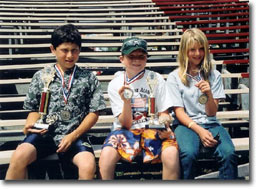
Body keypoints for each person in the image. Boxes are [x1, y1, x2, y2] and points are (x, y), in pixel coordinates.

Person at [5, 24, 106, 180]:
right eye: (64, 50)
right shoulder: (41, 76)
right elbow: (33, 109)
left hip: (75, 135)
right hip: (45, 135)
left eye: (74, 50)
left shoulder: (89, 77)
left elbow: (94, 112)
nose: (70, 56)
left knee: (88, 165)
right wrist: (31, 125)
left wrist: (73, 135)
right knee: (19, 155)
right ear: (53, 49)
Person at [99, 37, 179, 180]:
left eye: (141, 56)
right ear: (121, 58)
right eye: (131, 56)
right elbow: (125, 123)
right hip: (125, 131)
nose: (136, 60)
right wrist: (126, 101)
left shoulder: (156, 78)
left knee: (171, 155)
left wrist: (164, 123)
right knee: (106, 157)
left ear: (146, 58)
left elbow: (164, 112)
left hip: (153, 130)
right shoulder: (116, 83)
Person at [166, 28, 238, 179]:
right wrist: (200, 131)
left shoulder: (214, 75)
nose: (197, 54)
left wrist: (209, 94)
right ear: (184, 50)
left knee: (229, 153)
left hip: (210, 122)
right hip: (186, 125)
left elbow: (212, 112)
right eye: (192, 49)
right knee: (188, 154)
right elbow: (179, 112)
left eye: (201, 49)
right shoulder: (174, 77)